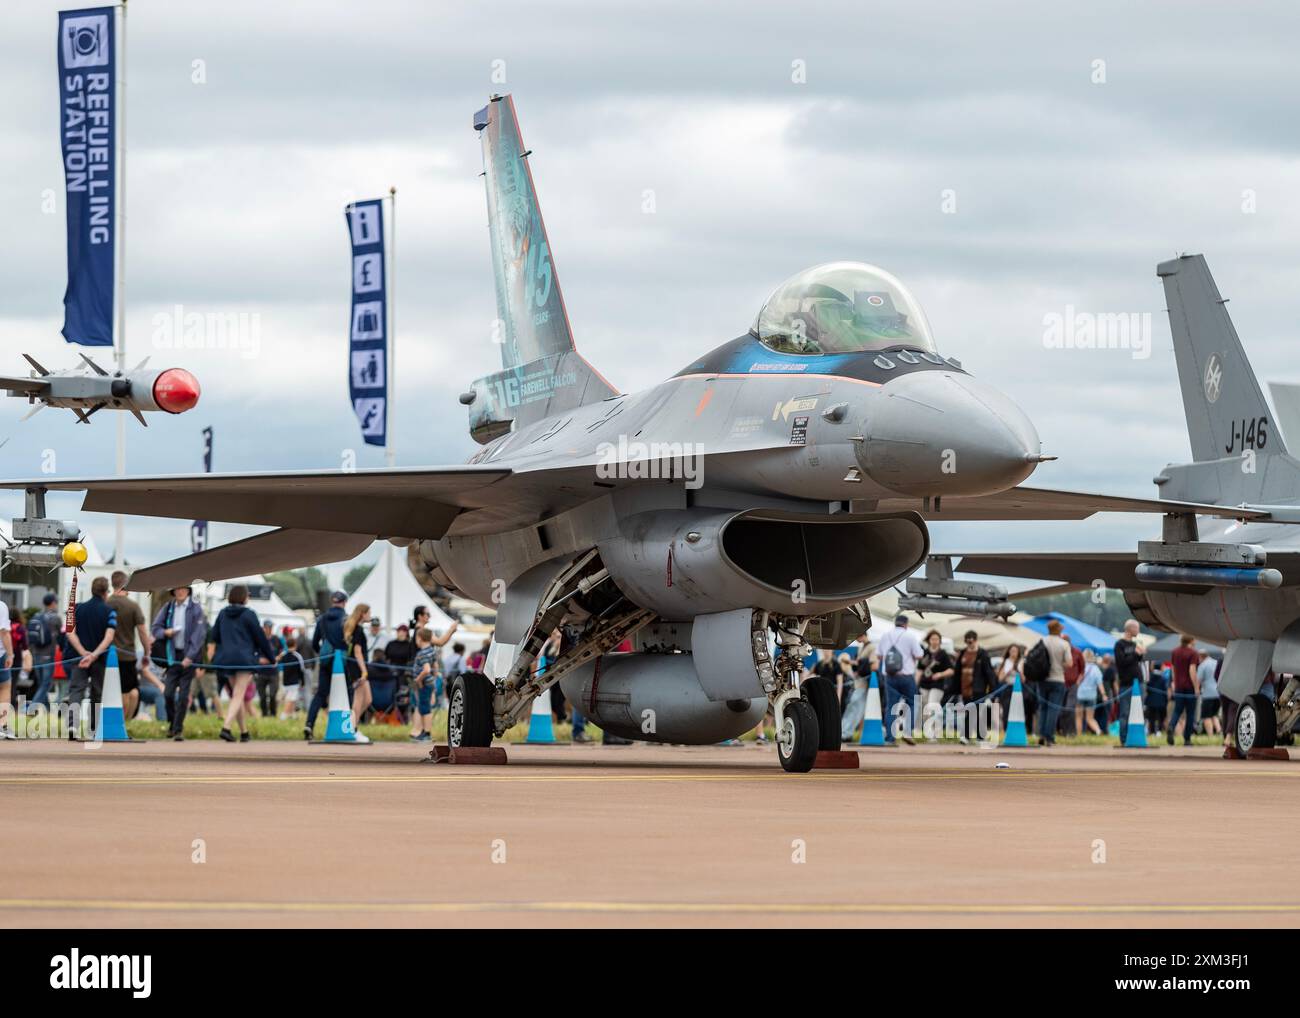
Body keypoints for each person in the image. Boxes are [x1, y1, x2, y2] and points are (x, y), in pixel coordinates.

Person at [208, 585, 275, 743]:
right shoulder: (249, 614)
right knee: (238, 694)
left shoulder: (223, 613)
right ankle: (226, 727)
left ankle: (244, 732)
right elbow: (260, 638)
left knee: (236, 696)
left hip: (227, 659)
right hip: (244, 659)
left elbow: (215, 635)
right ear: (244, 597)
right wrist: (271, 658)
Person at [151, 585, 208, 741]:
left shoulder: (196, 609)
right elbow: (155, 628)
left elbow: (199, 635)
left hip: (189, 656)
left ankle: (177, 729)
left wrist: (189, 657)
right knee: (168, 693)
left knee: (183, 695)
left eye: (183, 588)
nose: (180, 591)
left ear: (188, 590)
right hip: (171, 655)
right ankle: (172, 723)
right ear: (173, 591)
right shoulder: (168, 607)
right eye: (177, 589)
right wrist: (165, 632)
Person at [65, 576, 117, 739]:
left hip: (78, 658)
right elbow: (109, 637)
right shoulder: (110, 612)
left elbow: (69, 633)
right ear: (105, 592)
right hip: (99, 659)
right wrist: (94, 655)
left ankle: (72, 727)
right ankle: (93, 729)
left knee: (76, 690)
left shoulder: (78, 609)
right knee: (97, 692)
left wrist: (83, 653)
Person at [107, 571, 151, 724]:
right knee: (128, 691)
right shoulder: (133, 606)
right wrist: (147, 651)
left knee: (113, 691)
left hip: (107, 655)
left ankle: (117, 722)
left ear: (112, 583)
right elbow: (142, 631)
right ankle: (124, 723)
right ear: (126, 583)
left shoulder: (106, 603)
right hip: (127, 656)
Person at [306, 591, 349, 739]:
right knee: (345, 693)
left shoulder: (322, 619)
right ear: (344, 602)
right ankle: (349, 727)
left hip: (325, 659)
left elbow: (314, 643)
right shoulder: (346, 619)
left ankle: (309, 724)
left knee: (320, 694)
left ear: (332, 602)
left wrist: (323, 654)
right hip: (342, 662)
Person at [877, 614, 924, 745]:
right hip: (906, 676)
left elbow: (879, 655)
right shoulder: (910, 636)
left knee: (891, 706)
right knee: (913, 702)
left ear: (895, 623)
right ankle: (907, 731)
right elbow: (919, 655)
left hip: (889, 676)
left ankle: (890, 738)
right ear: (906, 624)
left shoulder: (885, 635)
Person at [955, 630, 997, 741]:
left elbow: (989, 672)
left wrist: (992, 688)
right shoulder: (962, 653)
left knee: (975, 710)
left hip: (978, 688)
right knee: (971, 710)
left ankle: (967, 736)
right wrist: (954, 688)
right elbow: (957, 671)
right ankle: (980, 735)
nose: (970, 644)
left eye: (972, 641)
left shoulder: (982, 654)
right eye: (968, 642)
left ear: (976, 640)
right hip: (965, 687)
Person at [1036, 620, 1071, 747]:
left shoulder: (1042, 640)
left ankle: (1041, 734)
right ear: (1059, 629)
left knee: (1043, 708)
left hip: (1042, 679)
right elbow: (1069, 663)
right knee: (1053, 709)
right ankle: (1049, 737)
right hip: (1057, 679)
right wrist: (1059, 665)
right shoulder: (1064, 644)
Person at [25, 593, 62, 713]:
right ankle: (32, 708)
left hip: (36, 654)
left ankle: (47, 709)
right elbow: (60, 636)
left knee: (41, 683)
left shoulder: (36, 616)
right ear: (52, 603)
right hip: (48, 655)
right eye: (56, 602)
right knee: (46, 684)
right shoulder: (55, 618)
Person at [344, 602, 373, 735]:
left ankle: (352, 723)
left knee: (367, 700)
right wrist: (364, 670)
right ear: (363, 614)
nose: (370, 616)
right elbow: (357, 652)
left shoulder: (356, 628)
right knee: (359, 698)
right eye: (369, 613)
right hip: (357, 668)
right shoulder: (358, 630)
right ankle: (353, 728)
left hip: (357, 666)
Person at [1113, 620, 1145, 743]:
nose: (1138, 631)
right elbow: (1121, 662)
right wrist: (1135, 653)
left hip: (1139, 682)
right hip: (1126, 683)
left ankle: (1136, 737)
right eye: (1137, 628)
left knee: (1138, 711)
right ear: (1129, 629)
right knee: (1125, 712)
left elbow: (1137, 661)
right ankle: (1123, 739)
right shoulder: (1119, 645)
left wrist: (1140, 654)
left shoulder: (1135, 644)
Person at [1168, 633, 1201, 746]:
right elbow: (1192, 670)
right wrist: (1196, 687)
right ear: (1191, 640)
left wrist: (1174, 683)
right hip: (1189, 687)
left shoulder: (1175, 652)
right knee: (1190, 713)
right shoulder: (1193, 653)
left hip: (1178, 686)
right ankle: (1187, 739)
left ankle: (1171, 726)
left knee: (1177, 710)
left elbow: (1173, 669)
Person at [918, 630, 954, 727]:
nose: (934, 641)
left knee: (932, 705)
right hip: (924, 684)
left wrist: (940, 674)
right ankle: (927, 729)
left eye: (937, 639)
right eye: (932, 639)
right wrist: (915, 683)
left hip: (937, 684)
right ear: (929, 640)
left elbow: (951, 670)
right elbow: (919, 669)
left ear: (940, 641)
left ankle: (934, 730)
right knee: (924, 707)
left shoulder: (943, 654)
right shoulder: (925, 652)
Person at [408, 627, 438, 742]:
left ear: (419, 638)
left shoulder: (422, 653)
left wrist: (418, 680)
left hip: (424, 684)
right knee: (424, 706)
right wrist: (433, 679)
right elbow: (435, 667)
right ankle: (424, 732)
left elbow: (426, 669)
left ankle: (426, 733)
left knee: (424, 708)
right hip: (429, 683)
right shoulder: (431, 650)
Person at [997, 643, 1029, 734]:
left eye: (1015, 651)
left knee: (1018, 711)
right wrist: (1009, 671)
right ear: (1009, 652)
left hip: (1018, 689)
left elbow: (1024, 679)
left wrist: (1018, 671)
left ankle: (1017, 731)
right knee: (1006, 710)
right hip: (1007, 688)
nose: (1013, 653)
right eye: (1012, 651)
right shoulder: (1005, 662)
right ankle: (1006, 730)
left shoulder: (1020, 662)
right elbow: (1000, 678)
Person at [255, 620, 285, 717]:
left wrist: (277, 658)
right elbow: (253, 653)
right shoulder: (259, 639)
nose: (269, 629)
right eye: (268, 627)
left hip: (273, 672)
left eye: (271, 627)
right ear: (264, 628)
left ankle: (273, 713)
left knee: (273, 695)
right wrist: (259, 659)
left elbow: (282, 651)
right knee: (262, 696)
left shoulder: (276, 639)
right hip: (261, 672)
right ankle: (264, 714)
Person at [1076, 650, 1105, 735]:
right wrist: (1103, 694)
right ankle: (1098, 731)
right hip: (1091, 696)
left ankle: (1079, 735)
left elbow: (1077, 682)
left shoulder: (1081, 667)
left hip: (1080, 694)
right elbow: (1100, 683)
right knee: (1090, 718)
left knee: (1078, 717)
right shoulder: (1096, 669)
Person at [277, 635, 306, 719]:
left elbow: (278, 661)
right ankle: (284, 715)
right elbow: (301, 670)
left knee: (291, 698)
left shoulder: (284, 655)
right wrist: (302, 681)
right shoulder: (297, 656)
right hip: (294, 682)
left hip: (285, 681)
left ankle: (293, 715)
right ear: (295, 645)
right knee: (291, 699)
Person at [1197, 650, 1221, 737]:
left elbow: (1198, 680)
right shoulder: (1216, 662)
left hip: (1207, 694)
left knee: (1206, 716)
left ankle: (1210, 735)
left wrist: (1197, 690)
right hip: (1218, 693)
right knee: (1215, 715)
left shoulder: (1202, 666)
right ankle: (1219, 731)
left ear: (1201, 657)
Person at [0, 597, 14, 739]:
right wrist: (10, 655)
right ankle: (2, 725)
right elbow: (3, 632)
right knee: (4, 687)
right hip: (0, 654)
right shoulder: (1, 606)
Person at [1146, 663, 1169, 735]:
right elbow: (1165, 689)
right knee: (1160, 717)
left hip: (1151, 701)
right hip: (1161, 701)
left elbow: (1147, 688)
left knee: (1151, 718)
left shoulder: (1150, 677)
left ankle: (1152, 731)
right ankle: (1159, 730)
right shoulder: (1163, 678)